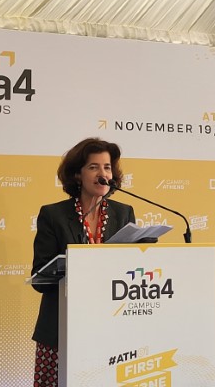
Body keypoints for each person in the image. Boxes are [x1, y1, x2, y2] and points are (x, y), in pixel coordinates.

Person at [30, 138, 136, 387]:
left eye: (107, 167)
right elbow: (40, 278)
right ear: (77, 174)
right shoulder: (53, 215)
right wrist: (76, 266)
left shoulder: (123, 213)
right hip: (61, 328)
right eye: (93, 167)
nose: (103, 174)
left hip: (110, 326)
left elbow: (131, 270)